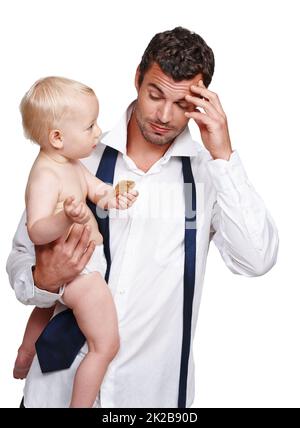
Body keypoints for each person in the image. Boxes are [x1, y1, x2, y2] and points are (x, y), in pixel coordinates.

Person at [6, 27, 279, 408]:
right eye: (155, 95)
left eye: (182, 103)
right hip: (53, 395)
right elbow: (22, 258)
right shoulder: (76, 153)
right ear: (137, 78)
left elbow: (257, 258)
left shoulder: (208, 175)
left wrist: (223, 155)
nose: (165, 115)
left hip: (149, 398)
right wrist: (44, 279)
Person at [11, 76, 138, 407]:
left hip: (70, 268)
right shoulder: (44, 175)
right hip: (80, 270)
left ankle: (26, 352)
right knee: (106, 344)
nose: (98, 132)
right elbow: (37, 230)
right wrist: (67, 216)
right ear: (57, 137)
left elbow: (96, 189)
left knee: (49, 303)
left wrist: (114, 196)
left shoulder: (70, 163)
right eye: (90, 126)